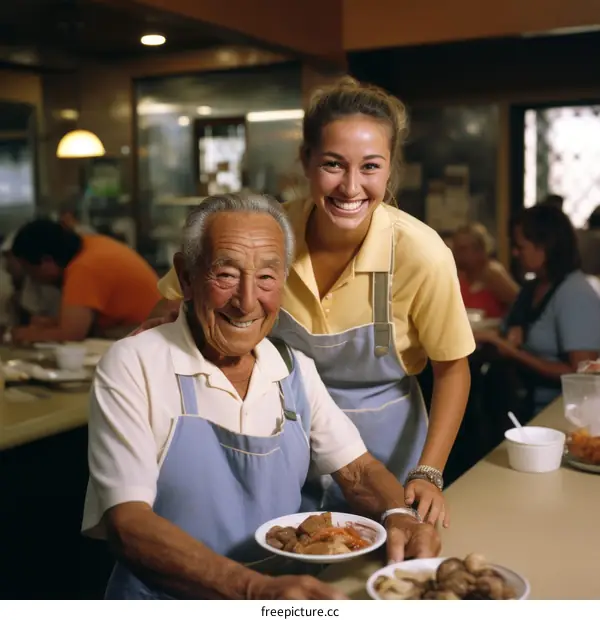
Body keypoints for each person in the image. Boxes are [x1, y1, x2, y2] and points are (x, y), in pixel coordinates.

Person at [145, 77, 476, 525]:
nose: (351, 187)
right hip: (283, 442)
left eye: (371, 167)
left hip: (390, 453)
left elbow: (452, 369)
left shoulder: (422, 253)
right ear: (306, 161)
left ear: (390, 171)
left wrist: (429, 470)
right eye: (334, 165)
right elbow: (174, 301)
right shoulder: (265, 231)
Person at [81, 193, 440, 600]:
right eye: (227, 274)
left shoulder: (292, 367)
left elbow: (358, 471)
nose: (247, 301)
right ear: (185, 277)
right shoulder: (134, 363)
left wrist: (400, 515)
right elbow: (127, 526)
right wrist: (253, 590)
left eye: (267, 277)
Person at [475, 203, 600, 415]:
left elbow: (582, 374)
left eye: (520, 246)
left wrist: (514, 353)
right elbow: (509, 328)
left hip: (553, 412)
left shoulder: (574, 293)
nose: (515, 253)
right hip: (516, 402)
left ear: (545, 246)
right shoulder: (533, 287)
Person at [8, 218, 162, 343]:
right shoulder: (90, 245)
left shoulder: (84, 268)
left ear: (47, 261)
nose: (32, 278)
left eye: (29, 270)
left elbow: (72, 333)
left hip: (147, 335)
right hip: (145, 330)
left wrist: (24, 335)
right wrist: (51, 324)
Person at [452, 222, 519, 319]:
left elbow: (521, 305)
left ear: (480, 250)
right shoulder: (458, 276)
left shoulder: (493, 273)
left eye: (462, 249)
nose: (456, 254)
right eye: (455, 249)